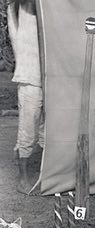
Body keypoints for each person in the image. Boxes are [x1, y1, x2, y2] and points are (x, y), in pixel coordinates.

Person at [7, 0, 44, 194]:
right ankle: (23, 177)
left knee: (48, 129)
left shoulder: (47, 11)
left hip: (50, 77)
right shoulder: (18, 7)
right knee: (28, 129)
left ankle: (45, 174)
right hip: (30, 76)